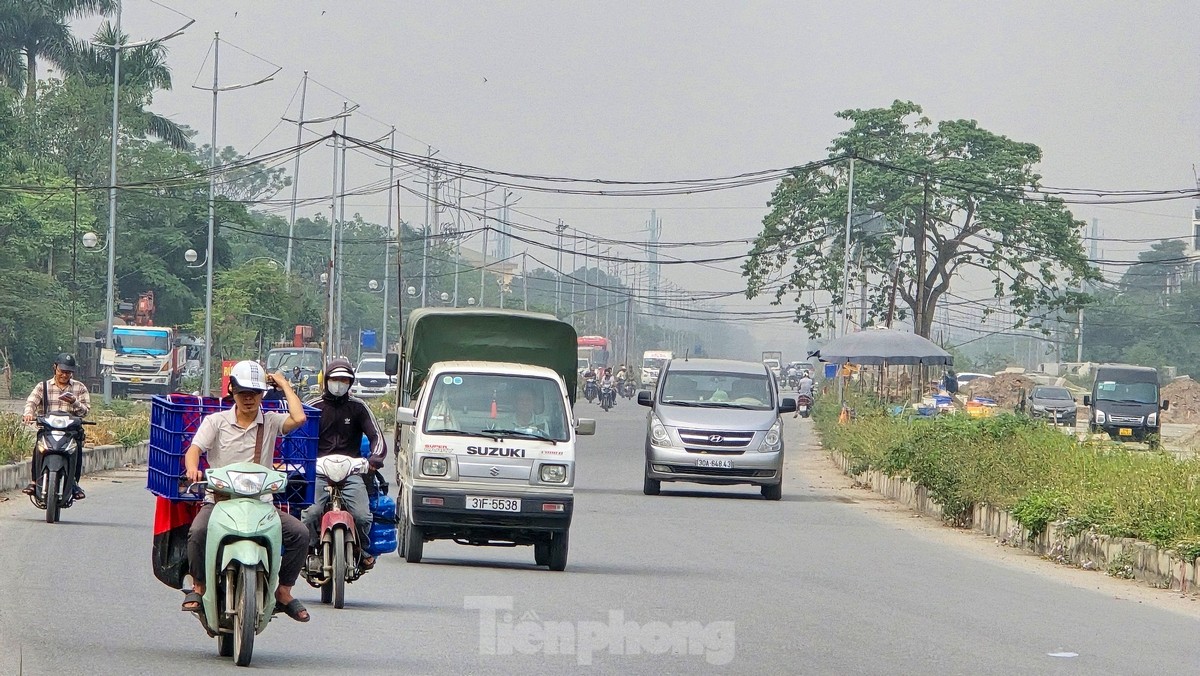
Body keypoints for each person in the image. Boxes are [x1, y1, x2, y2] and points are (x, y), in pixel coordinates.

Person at [181, 360, 311, 622]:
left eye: (255, 393)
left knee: (300, 533)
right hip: (220, 502)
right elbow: (194, 450)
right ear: (232, 392)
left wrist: (283, 383)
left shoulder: (272, 421)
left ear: (263, 394)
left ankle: (283, 591)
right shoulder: (216, 422)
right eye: (243, 393)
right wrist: (192, 469)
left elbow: (299, 418)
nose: (249, 399)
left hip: (260, 504)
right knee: (197, 532)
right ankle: (198, 587)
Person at [302, 358, 385, 570]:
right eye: (335, 379)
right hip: (318, 472)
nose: (339, 383)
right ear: (326, 380)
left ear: (350, 383)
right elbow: (297, 437)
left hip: (351, 472)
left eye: (344, 380)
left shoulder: (359, 407)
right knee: (310, 513)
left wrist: (375, 459)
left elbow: (376, 437)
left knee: (363, 516)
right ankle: (308, 551)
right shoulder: (312, 407)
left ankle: (361, 549)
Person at [22, 353, 91, 499]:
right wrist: (28, 413)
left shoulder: (80, 388)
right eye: (62, 371)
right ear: (55, 368)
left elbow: (85, 411)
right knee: (38, 449)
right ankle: (34, 482)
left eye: (68, 372)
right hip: (48, 430)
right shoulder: (43, 386)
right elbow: (31, 402)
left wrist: (74, 402)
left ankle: (73, 483)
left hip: (70, 432)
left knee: (77, 450)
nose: (65, 375)